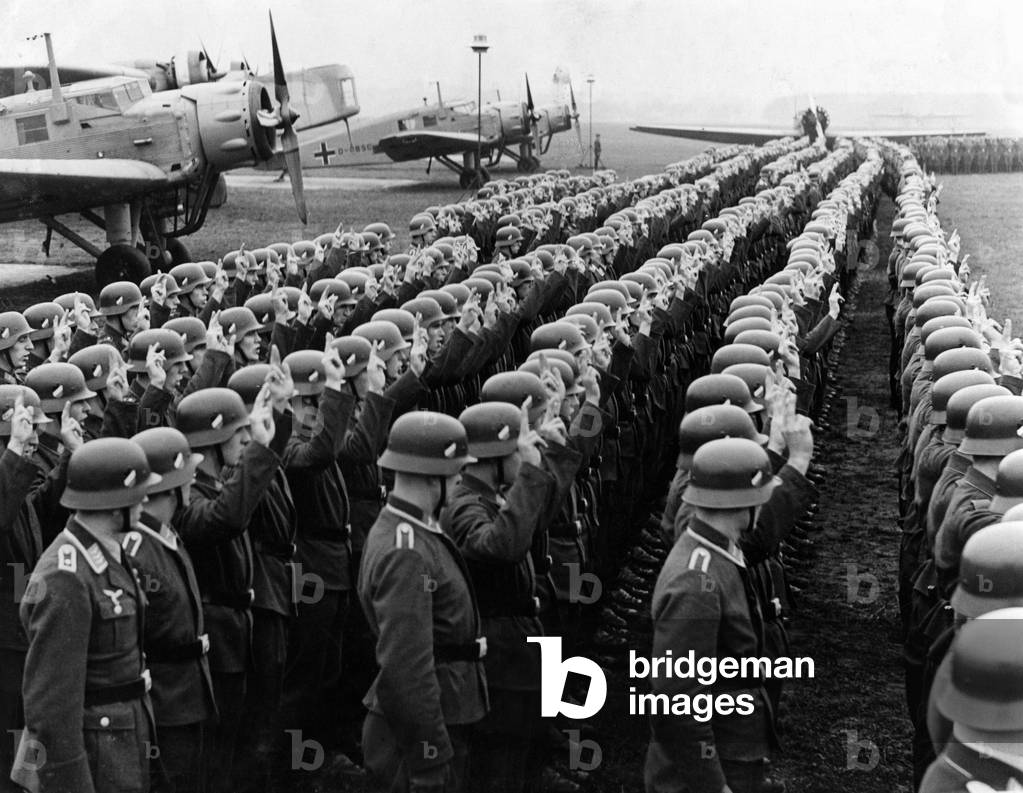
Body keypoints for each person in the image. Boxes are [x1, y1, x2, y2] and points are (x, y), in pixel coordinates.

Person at [12, 437, 160, 793]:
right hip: (93, 762)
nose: (145, 501)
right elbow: (50, 711)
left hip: (119, 747)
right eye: (136, 493)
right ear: (112, 503)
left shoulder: (106, 553)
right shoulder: (65, 576)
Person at [358, 411, 486, 793]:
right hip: (418, 736)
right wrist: (429, 757)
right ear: (433, 475)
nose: (461, 480)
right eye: (455, 473)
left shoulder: (410, 528)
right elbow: (406, 670)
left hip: (433, 720)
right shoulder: (406, 550)